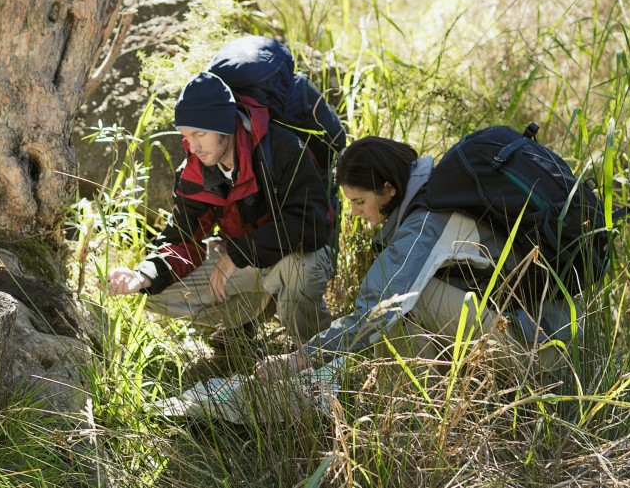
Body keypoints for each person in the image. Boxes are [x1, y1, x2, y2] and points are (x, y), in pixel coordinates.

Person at [257, 137, 572, 377]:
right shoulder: (436, 191)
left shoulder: (426, 223)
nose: (353, 213)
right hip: (533, 324)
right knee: (404, 300)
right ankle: (436, 401)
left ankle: (424, 422)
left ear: (389, 189)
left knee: (398, 304)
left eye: (358, 201)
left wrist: (301, 357)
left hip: (538, 347)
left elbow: (377, 311)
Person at [106, 72, 334, 345]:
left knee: (300, 267)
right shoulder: (194, 172)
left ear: (225, 126)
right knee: (157, 293)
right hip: (242, 262)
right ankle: (244, 324)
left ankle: (317, 352)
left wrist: (238, 254)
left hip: (291, 256)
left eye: (200, 134)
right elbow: (183, 239)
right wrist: (142, 275)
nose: (193, 146)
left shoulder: (282, 148)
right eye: (186, 136)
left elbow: (312, 223)